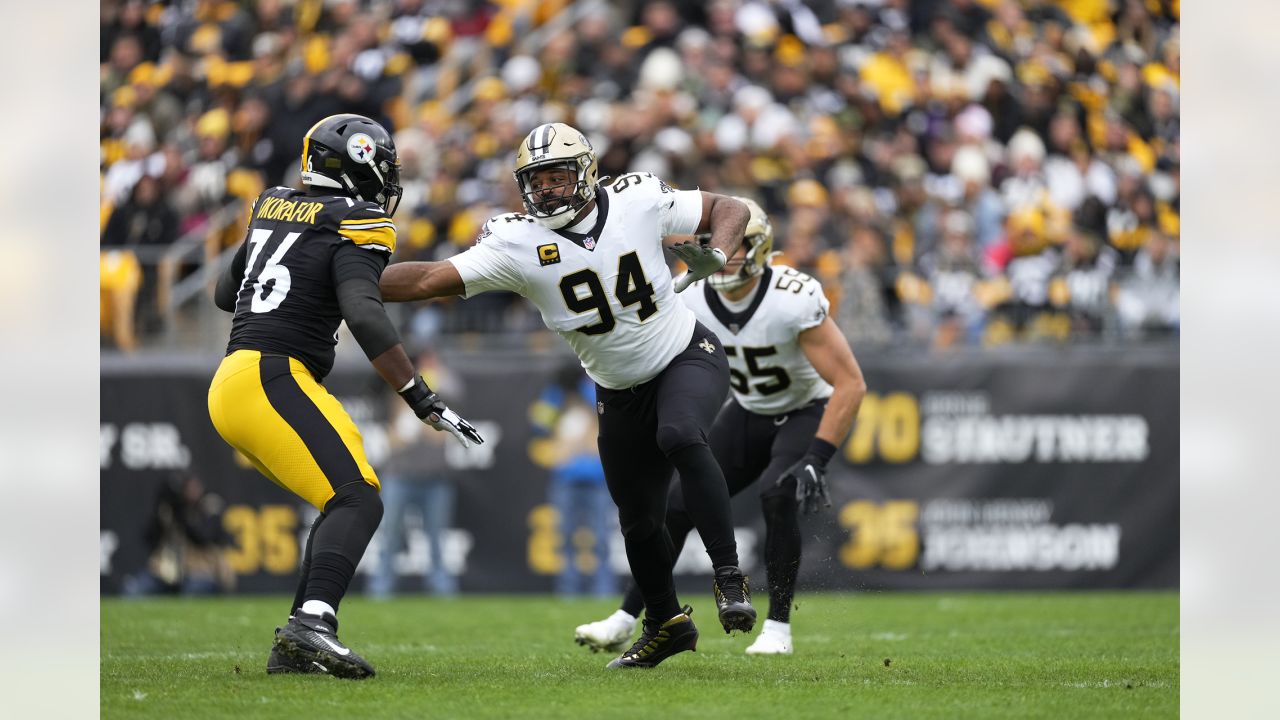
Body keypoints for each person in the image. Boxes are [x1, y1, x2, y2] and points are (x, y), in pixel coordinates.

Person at [380, 122, 755, 669]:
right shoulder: (516, 242)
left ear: (586, 172)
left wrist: (717, 254)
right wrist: (345, 279)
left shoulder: (638, 200)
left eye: (558, 175)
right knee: (638, 519)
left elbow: (732, 207)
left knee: (678, 433)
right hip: (617, 389)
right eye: (537, 179)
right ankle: (667, 624)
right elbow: (426, 280)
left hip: (684, 354)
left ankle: (728, 575)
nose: (549, 189)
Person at [207, 113, 483, 679]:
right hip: (272, 374)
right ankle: (312, 624)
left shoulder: (275, 203)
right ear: (359, 164)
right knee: (358, 498)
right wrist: (419, 395)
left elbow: (224, 292)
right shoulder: (357, 221)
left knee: (344, 496)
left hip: (237, 375)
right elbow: (363, 312)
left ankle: (296, 644)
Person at [574, 197, 866, 656]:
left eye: (738, 246)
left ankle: (778, 629)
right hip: (749, 410)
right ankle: (628, 617)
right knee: (674, 505)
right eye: (717, 246)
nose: (727, 256)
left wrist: (818, 457)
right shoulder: (687, 293)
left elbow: (850, 382)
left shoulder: (792, 297)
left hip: (804, 408)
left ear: (762, 247)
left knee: (778, 491)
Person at [368, 348, 462, 598]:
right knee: (390, 538)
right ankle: (381, 589)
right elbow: (392, 437)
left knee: (437, 540)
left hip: (435, 479)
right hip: (399, 476)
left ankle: (442, 589)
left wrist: (434, 374)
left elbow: (454, 397)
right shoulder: (391, 394)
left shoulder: (437, 389)